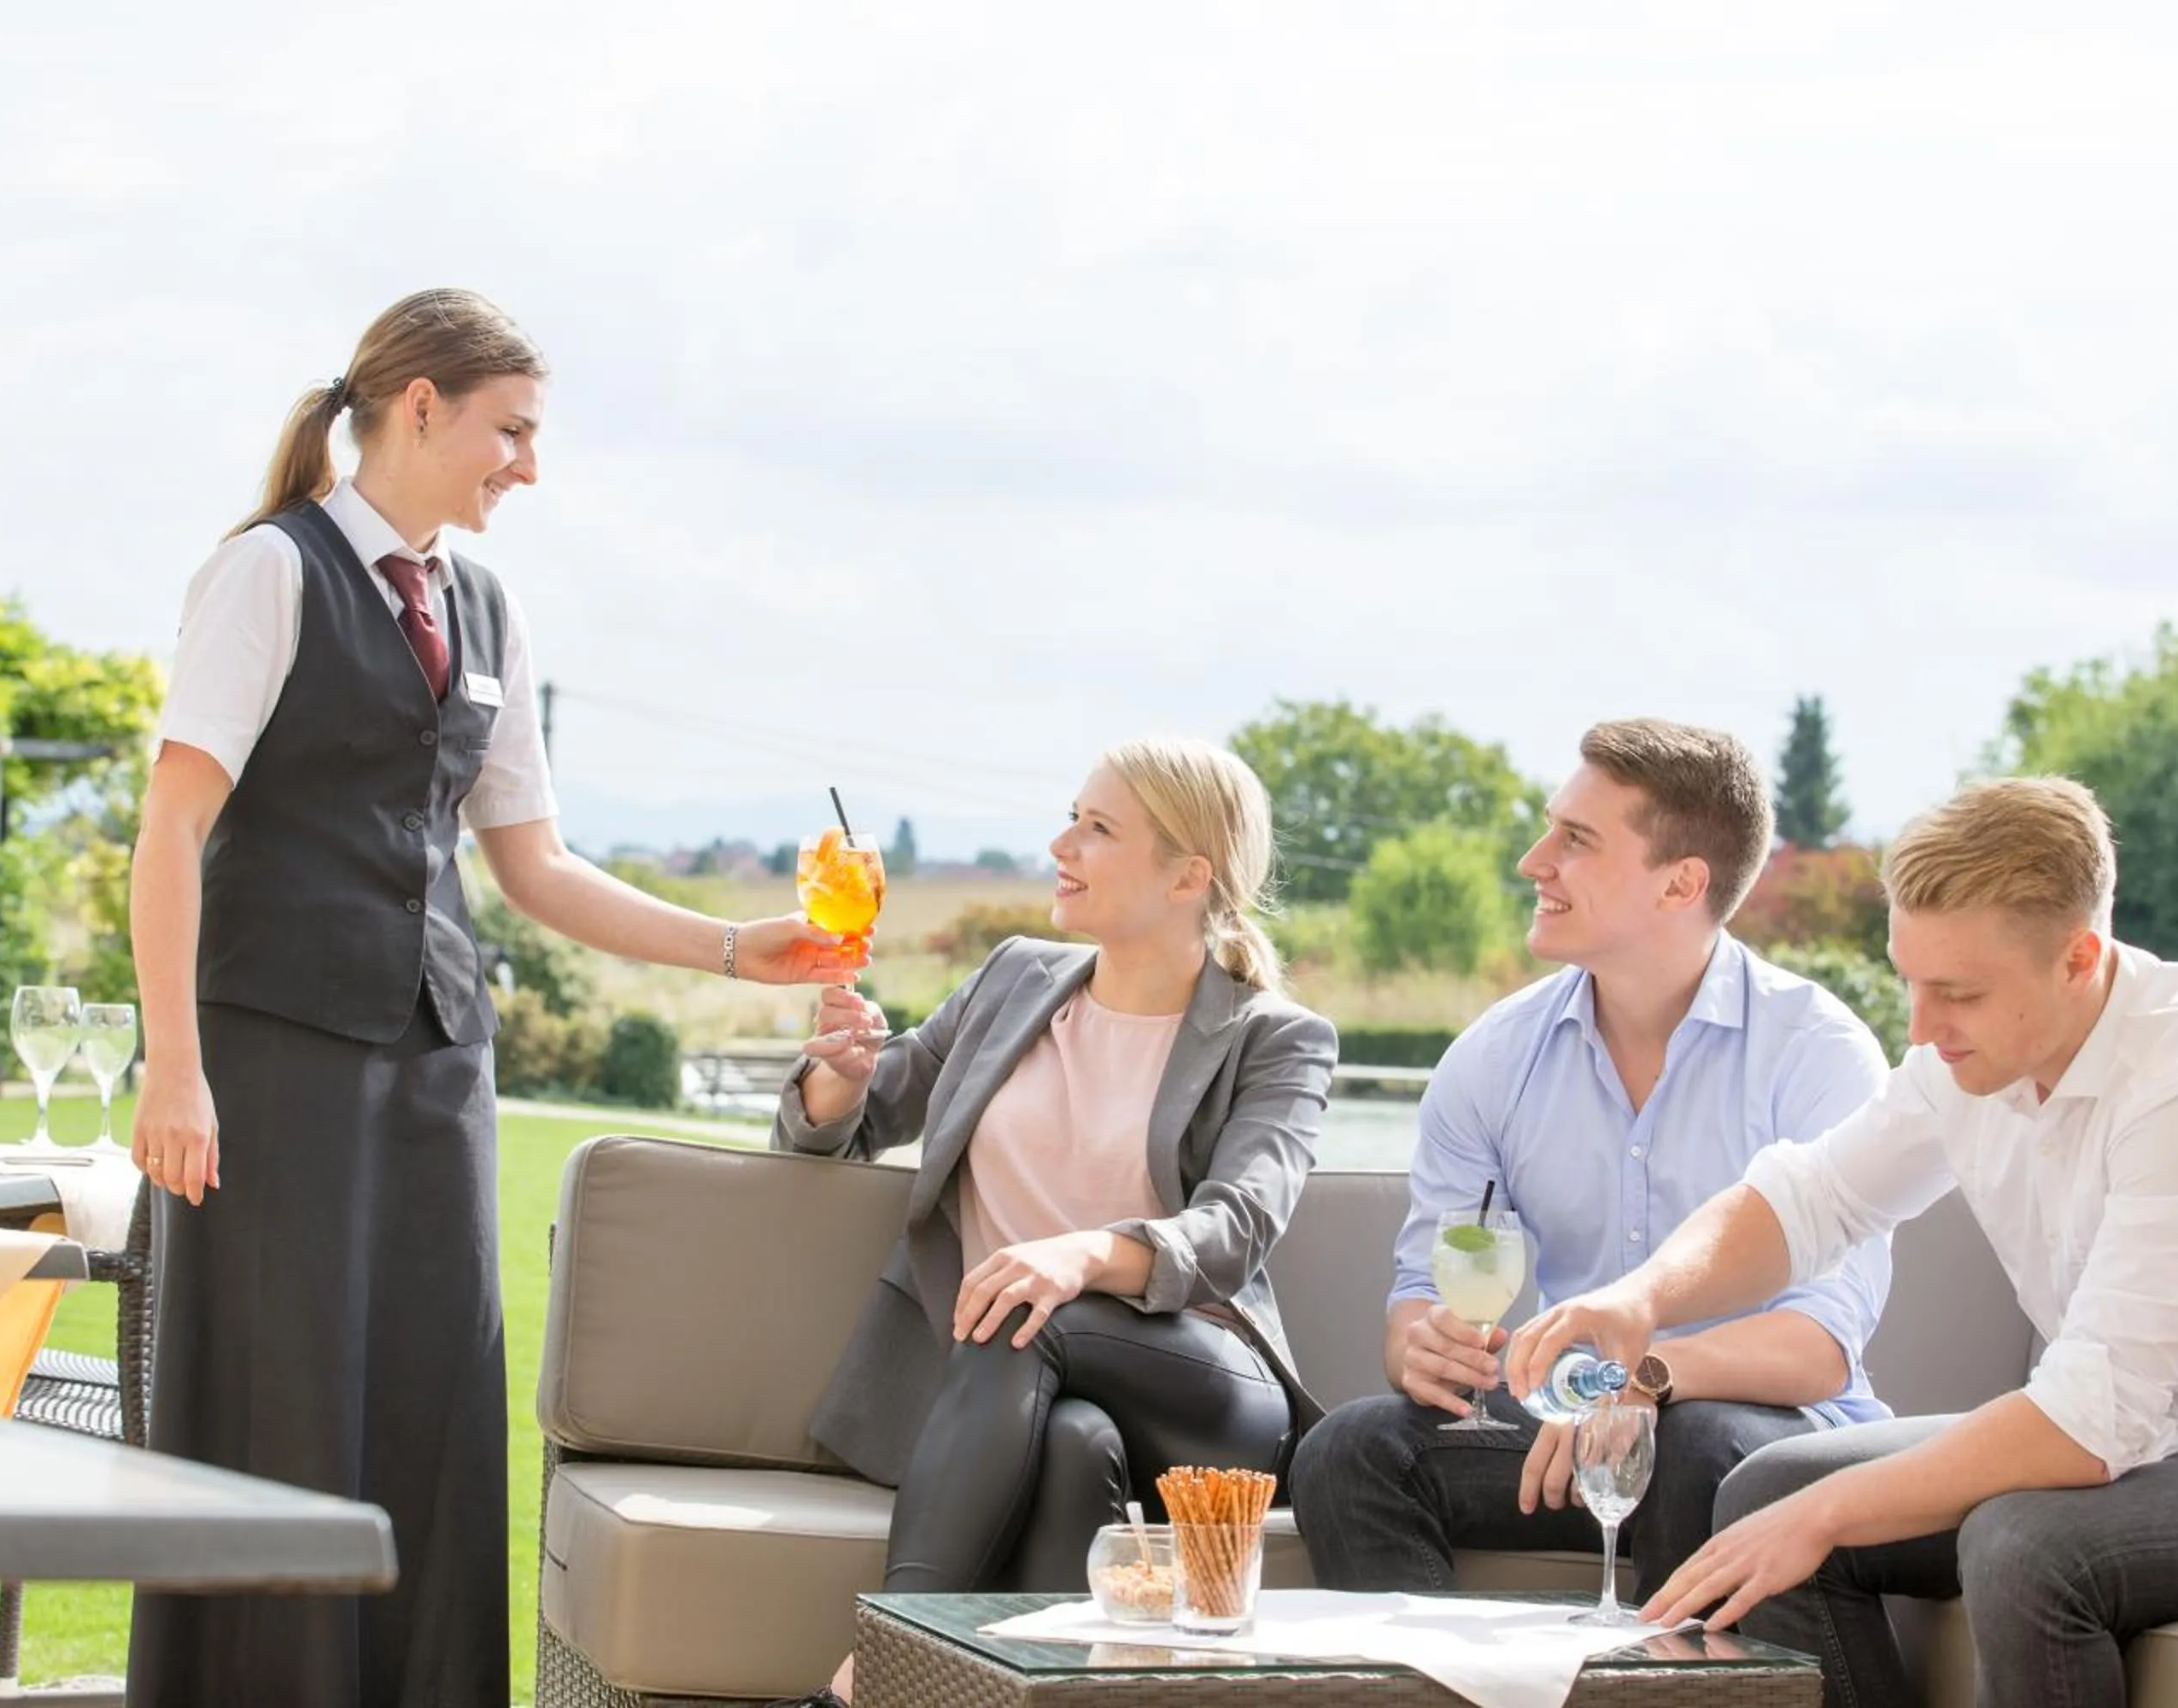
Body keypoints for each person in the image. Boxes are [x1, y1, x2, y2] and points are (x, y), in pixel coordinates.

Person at [126, 288, 859, 1708]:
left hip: (436, 1071)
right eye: (510, 431)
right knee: (285, 1412)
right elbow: (171, 830)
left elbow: (535, 864)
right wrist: (177, 1067)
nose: (529, 464)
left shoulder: (484, 603)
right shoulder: (271, 575)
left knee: (431, 1411)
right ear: (418, 408)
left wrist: (731, 948)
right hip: (272, 1066)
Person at [1509, 776, 2178, 1708]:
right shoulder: (1970, 1053)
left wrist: (1828, 1511)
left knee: (2025, 1543)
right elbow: (1810, 1199)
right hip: (2149, 1446)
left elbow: (2089, 1420)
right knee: (1766, 1490)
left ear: (2080, 956)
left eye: (1956, 991)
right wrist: (1641, 1296)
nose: (1921, 1029)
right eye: (1911, 980)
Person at [770, 738, 1338, 1706]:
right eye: (1072, 816)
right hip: (1019, 1389)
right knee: (1072, 1443)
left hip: (1202, 1386)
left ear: (1187, 875)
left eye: (1098, 827)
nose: (1060, 843)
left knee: (1032, 1307)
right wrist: (838, 1076)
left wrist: (1077, 1255)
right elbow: (848, 1123)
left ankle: (873, 1672)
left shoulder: (1275, 1037)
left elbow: (1236, 1225)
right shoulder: (1012, 981)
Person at [1289, 718, 1894, 1601]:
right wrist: (1425, 1344)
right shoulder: (1493, 1058)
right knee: (1351, 1448)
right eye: (1549, 829)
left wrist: (1637, 1381)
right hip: (1569, 1433)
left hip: (1765, 1442)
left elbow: (1821, 1346)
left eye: (1575, 839)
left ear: (1681, 882)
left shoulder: (1818, 1053)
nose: (1536, 860)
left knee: (1698, 1443)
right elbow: (1420, 1292)